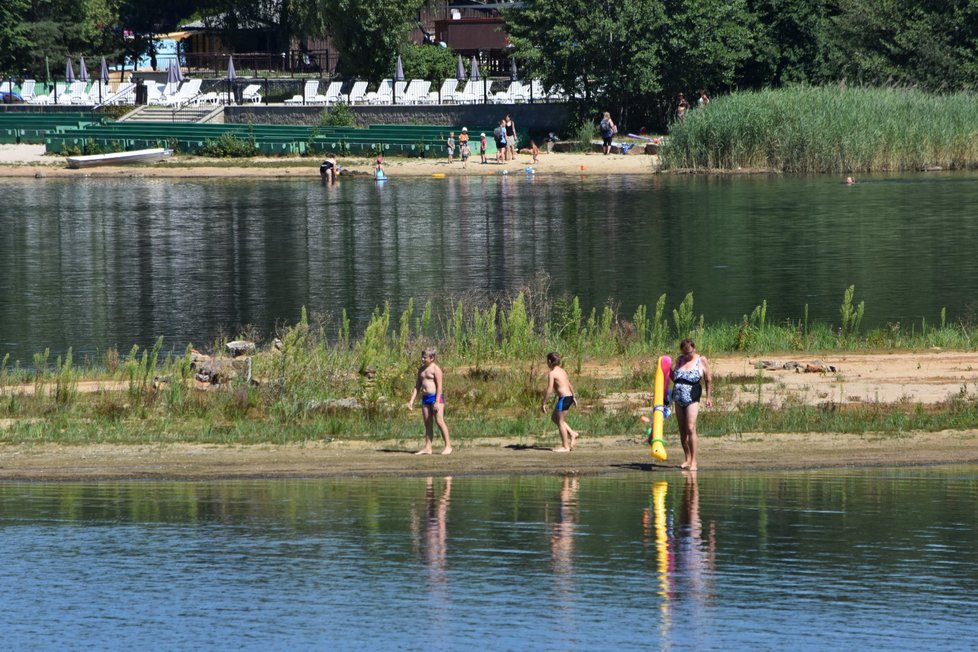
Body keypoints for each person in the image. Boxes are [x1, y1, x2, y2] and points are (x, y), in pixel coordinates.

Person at [670, 338, 712, 471]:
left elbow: (708, 379)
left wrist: (708, 397)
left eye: (690, 353)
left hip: (692, 396)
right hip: (678, 397)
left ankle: (694, 461)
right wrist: (665, 368)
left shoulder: (701, 360)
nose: (688, 356)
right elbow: (674, 378)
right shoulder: (679, 360)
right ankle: (687, 458)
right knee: (682, 431)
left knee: (690, 427)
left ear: (694, 349)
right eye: (685, 353)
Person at [407, 347, 453, 455]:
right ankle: (428, 447)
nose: (422, 359)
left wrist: (437, 401)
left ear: (432, 358)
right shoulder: (421, 369)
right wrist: (411, 400)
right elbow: (417, 386)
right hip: (425, 398)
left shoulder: (436, 369)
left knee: (439, 421)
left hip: (436, 397)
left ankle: (448, 446)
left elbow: (440, 387)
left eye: (425, 358)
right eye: (422, 357)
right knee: (427, 423)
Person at [541, 352, 580, 452]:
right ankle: (572, 433)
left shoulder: (552, 373)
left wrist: (544, 403)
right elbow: (569, 383)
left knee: (560, 422)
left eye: (547, 361)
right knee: (554, 417)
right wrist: (573, 396)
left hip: (564, 398)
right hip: (568, 397)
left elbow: (549, 389)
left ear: (549, 361)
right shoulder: (562, 371)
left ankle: (565, 446)